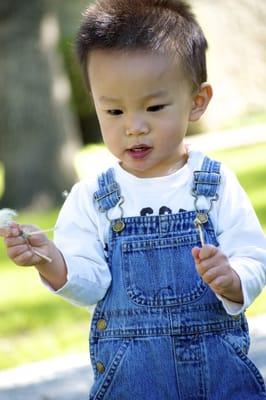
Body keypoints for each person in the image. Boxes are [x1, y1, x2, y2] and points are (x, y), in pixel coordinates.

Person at [2, 0, 266, 398]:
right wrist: (52, 262)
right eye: (113, 111)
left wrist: (233, 278)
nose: (134, 127)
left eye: (154, 107)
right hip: (131, 386)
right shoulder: (93, 197)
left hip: (221, 382)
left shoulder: (214, 184)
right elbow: (92, 283)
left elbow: (254, 255)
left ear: (197, 101)